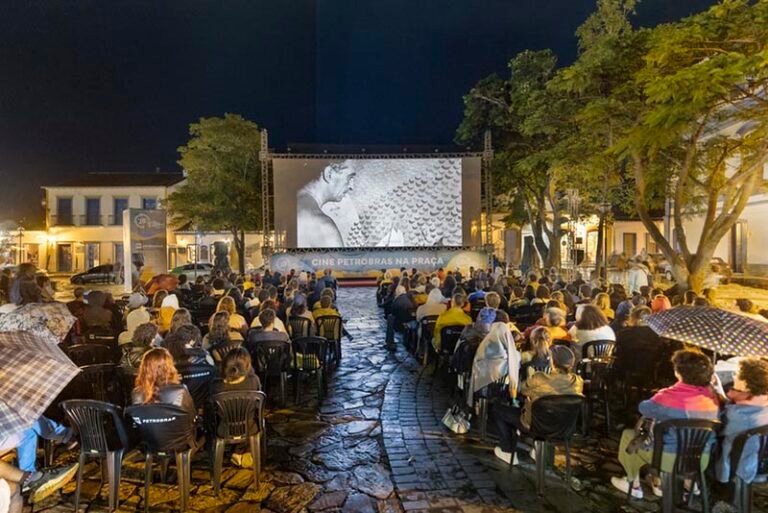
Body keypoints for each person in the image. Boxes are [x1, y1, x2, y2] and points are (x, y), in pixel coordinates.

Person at [611, 349, 720, 498]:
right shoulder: (713, 397)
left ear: (678, 372)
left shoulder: (667, 397)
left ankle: (633, 484)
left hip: (668, 458)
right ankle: (688, 483)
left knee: (628, 436)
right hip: (701, 459)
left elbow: (643, 408)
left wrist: (663, 393)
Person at [493, 345, 583, 465]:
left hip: (536, 425)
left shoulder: (540, 378)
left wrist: (531, 375)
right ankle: (538, 450)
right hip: (563, 427)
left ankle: (507, 450)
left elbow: (523, 390)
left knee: (498, 409)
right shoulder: (577, 382)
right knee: (544, 411)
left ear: (552, 361)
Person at [716, 358, 768, 485]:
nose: (734, 376)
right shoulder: (762, 402)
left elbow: (718, 430)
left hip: (736, 466)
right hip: (757, 461)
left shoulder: (737, 414)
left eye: (737, 374)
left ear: (746, 384)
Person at [296, 160, 357, 247]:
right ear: (329, 174)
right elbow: (340, 261)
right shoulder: (324, 227)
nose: (352, 186)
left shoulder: (291, 203)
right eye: (349, 178)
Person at [132, 347, 196, 417]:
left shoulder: (136, 393)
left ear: (144, 369)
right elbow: (191, 418)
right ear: (169, 367)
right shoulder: (180, 391)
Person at [468, 322, 521, 406]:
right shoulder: (515, 357)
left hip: (482, 395)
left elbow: (475, 376)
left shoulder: (481, 353)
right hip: (504, 397)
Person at [611, 306, 664, 383]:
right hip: (649, 365)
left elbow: (617, 351)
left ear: (632, 317)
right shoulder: (656, 334)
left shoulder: (624, 333)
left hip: (627, 365)